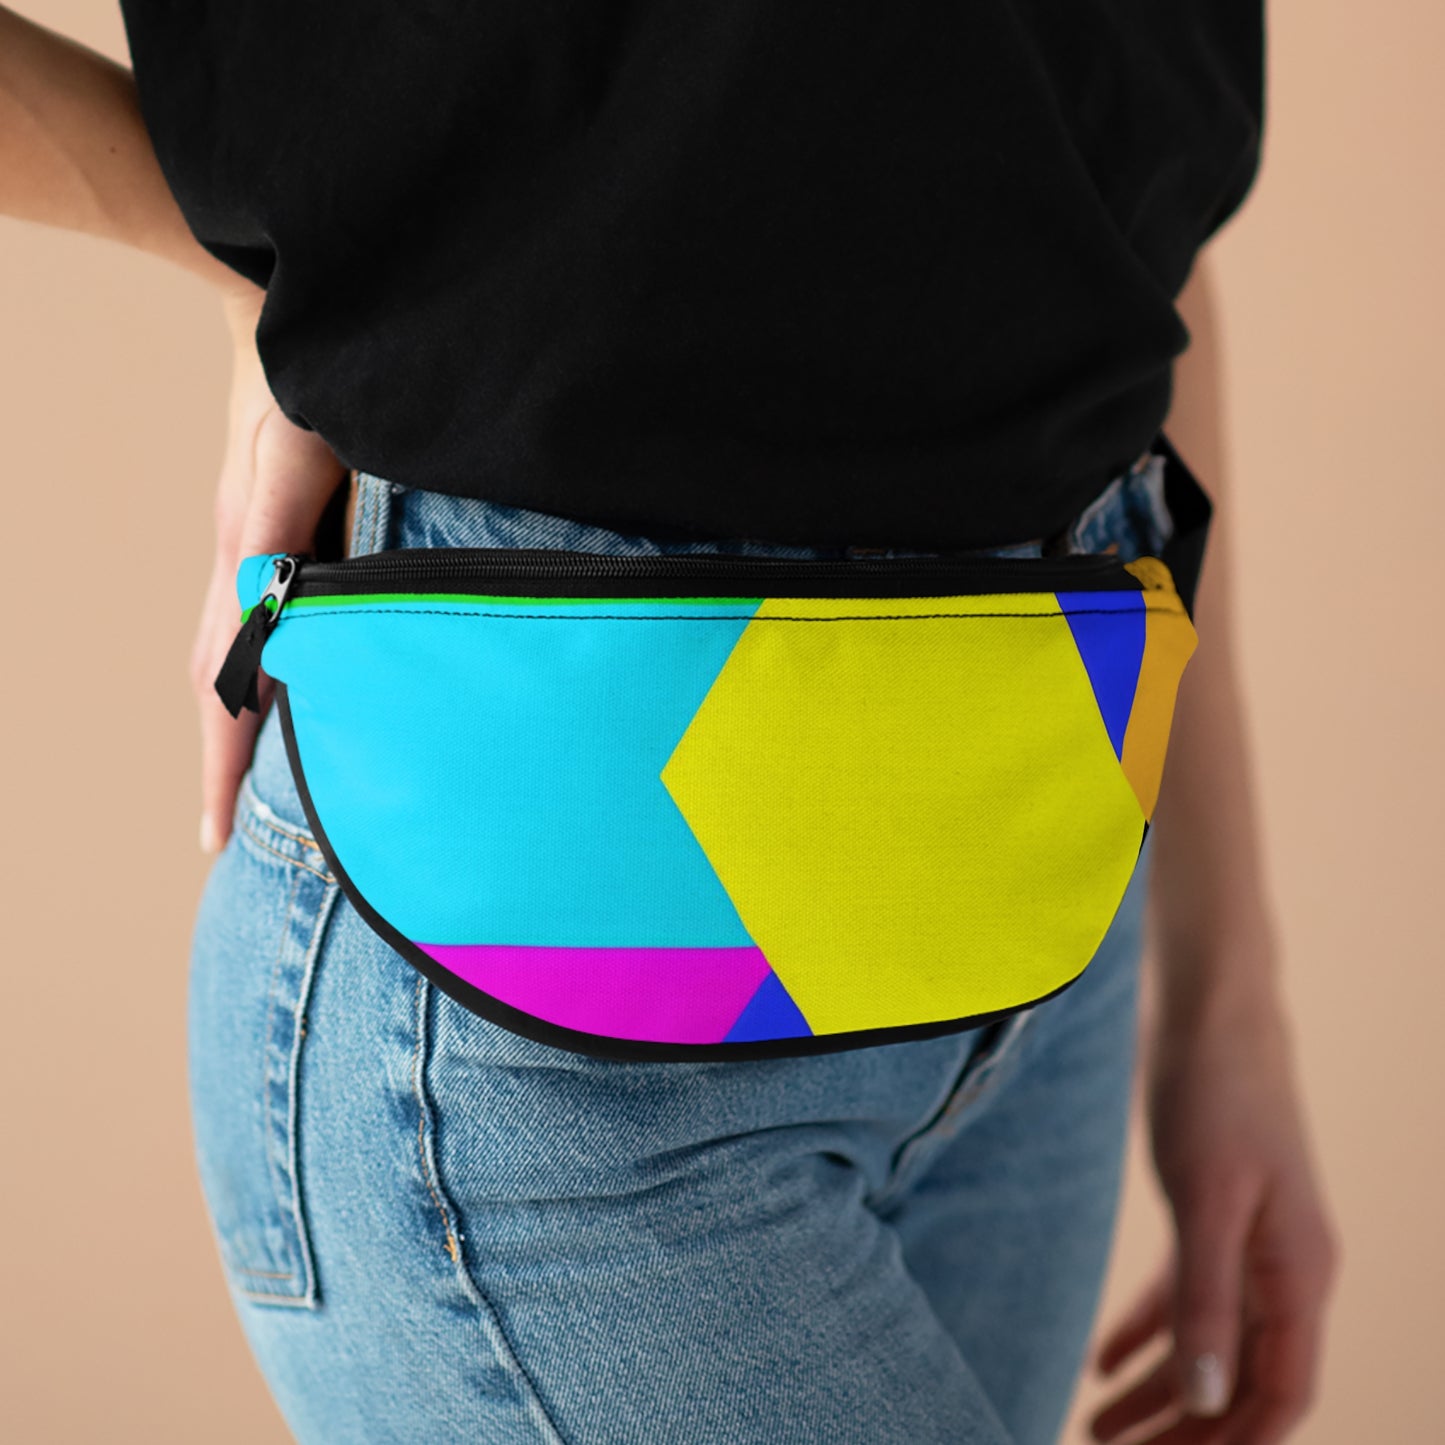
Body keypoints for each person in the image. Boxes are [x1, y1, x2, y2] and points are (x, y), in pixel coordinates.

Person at [1, 5, 1338, 1442]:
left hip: (1046, 868)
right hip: (544, 997)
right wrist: (258, 279)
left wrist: (1228, 995)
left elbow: (1124, 204)